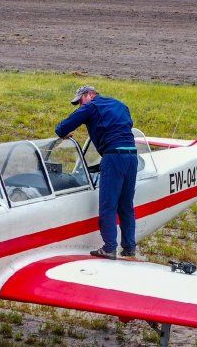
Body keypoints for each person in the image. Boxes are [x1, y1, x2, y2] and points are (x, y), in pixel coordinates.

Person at [56, 85, 137, 259]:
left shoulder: (91, 106)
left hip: (113, 157)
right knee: (126, 206)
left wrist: (63, 132)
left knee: (108, 205)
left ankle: (109, 248)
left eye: (80, 101)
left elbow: (62, 128)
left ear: (90, 94)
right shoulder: (120, 105)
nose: (80, 105)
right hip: (132, 156)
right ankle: (129, 247)